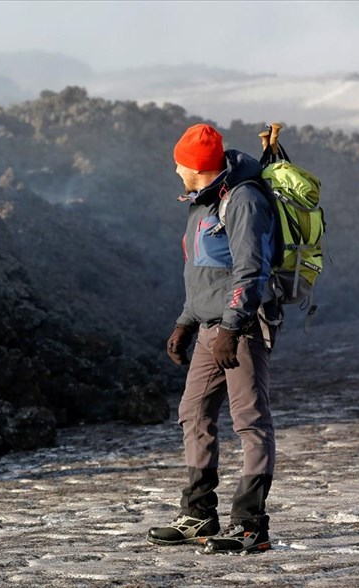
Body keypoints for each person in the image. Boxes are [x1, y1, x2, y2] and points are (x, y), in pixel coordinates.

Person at [147, 123, 280, 554]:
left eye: (180, 163)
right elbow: (204, 272)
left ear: (198, 167)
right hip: (210, 328)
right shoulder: (203, 202)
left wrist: (230, 326)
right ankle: (200, 514)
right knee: (193, 412)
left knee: (250, 420)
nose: (175, 169)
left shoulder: (243, 200)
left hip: (240, 327)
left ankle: (250, 526)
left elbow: (250, 269)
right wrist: (186, 321)